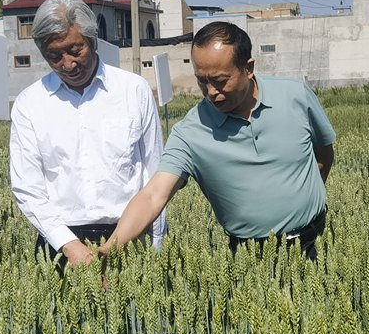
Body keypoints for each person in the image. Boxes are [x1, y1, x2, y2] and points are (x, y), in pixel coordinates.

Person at [101, 21, 335, 259]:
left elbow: (324, 152)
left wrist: (305, 197)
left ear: (248, 68)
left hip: (316, 241)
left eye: (221, 80)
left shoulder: (296, 96)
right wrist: (111, 248)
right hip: (249, 256)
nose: (211, 91)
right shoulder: (190, 132)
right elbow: (153, 196)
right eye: (202, 80)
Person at [9, 0, 166, 269]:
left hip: (129, 235)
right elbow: (27, 187)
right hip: (60, 243)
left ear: (93, 41)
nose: (67, 64)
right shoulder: (29, 105)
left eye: (75, 50)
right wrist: (69, 246)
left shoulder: (133, 90)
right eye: (54, 56)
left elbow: (155, 174)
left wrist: (154, 248)